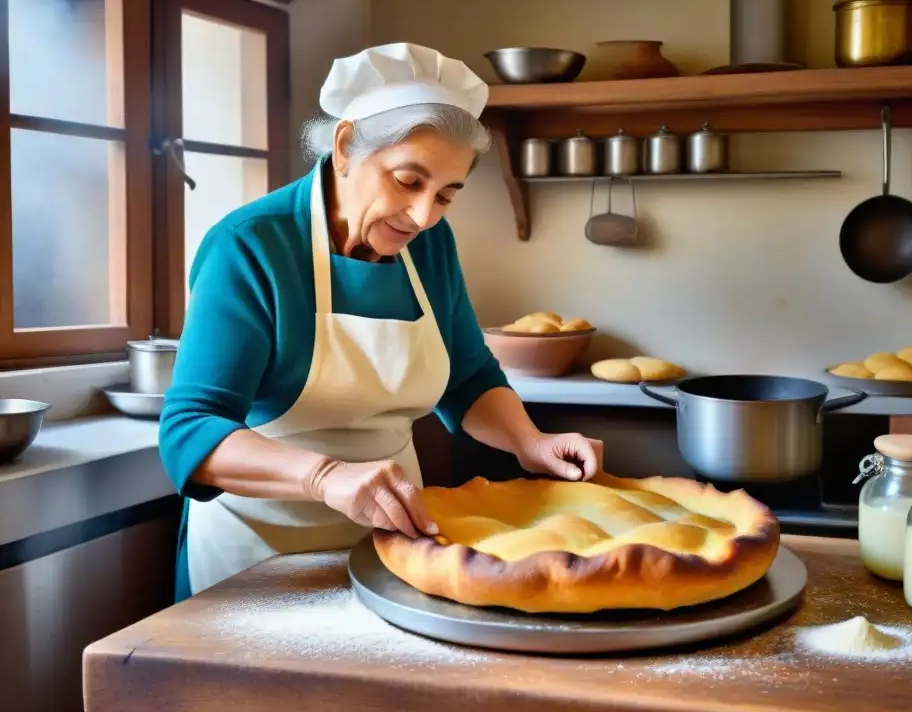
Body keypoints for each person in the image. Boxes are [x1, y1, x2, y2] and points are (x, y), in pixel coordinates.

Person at [158, 43, 601, 601]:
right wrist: (326, 477)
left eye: (445, 195)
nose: (423, 216)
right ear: (345, 146)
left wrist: (529, 441)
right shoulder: (250, 246)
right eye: (408, 182)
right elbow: (190, 431)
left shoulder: (430, 245)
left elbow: (467, 379)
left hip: (394, 543)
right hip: (256, 560)